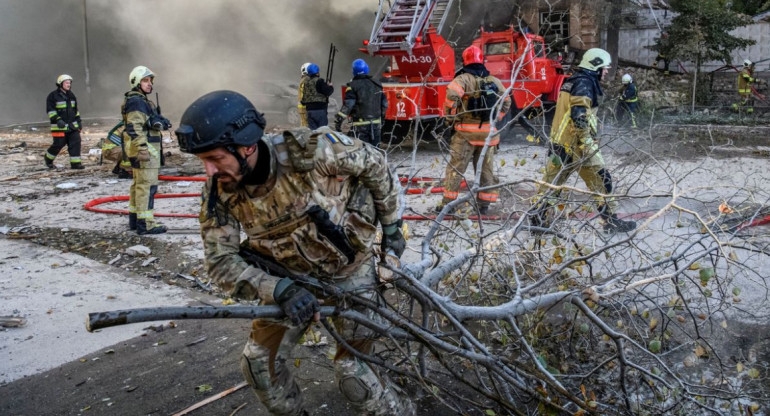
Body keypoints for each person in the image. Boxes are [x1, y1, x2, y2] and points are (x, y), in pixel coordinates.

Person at [175, 90, 413, 416]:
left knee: (353, 375)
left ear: (245, 147)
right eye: (203, 161)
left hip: (349, 271)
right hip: (287, 280)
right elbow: (219, 262)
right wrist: (279, 290)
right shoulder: (219, 193)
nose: (209, 171)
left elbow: (375, 165)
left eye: (215, 159)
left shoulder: (313, 151)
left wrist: (391, 226)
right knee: (258, 366)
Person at [531, 48, 636, 233]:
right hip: (578, 146)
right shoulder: (585, 84)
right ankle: (611, 222)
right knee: (603, 181)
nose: (605, 71)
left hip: (559, 145)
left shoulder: (572, 81)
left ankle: (537, 222)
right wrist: (587, 143)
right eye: (604, 68)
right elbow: (579, 116)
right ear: (595, 65)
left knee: (551, 185)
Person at [436, 45, 510, 215]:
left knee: (456, 169)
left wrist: (451, 117)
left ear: (465, 60)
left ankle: (449, 205)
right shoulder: (494, 81)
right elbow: (506, 101)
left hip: (465, 135)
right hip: (489, 136)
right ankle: (484, 205)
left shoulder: (463, 79)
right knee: (486, 172)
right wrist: (496, 118)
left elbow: (452, 96)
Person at [122, 65, 171, 235]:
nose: (149, 84)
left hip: (141, 149)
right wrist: (143, 148)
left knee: (138, 185)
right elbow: (134, 126)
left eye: (150, 81)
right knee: (147, 187)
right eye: (145, 80)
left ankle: (135, 220)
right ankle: (146, 224)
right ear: (136, 82)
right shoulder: (137, 101)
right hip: (146, 151)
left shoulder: (141, 101)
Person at [335, 59, 387, 147]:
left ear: (354, 72)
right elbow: (384, 104)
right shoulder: (377, 84)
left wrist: (339, 119)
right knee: (375, 151)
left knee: (361, 150)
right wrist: (382, 117)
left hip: (360, 125)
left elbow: (348, 105)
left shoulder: (352, 86)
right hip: (375, 124)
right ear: (367, 69)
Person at [45, 74, 84, 169]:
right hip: (59, 126)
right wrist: (58, 120)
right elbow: (50, 111)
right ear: (60, 83)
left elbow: (75, 110)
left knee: (76, 142)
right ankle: (48, 159)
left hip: (72, 126)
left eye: (70, 83)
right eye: (67, 83)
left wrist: (79, 121)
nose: (69, 84)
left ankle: (76, 164)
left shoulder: (71, 95)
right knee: (58, 144)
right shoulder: (53, 96)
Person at [299, 62, 334, 129]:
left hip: (309, 111)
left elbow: (303, 101)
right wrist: (330, 86)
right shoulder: (320, 81)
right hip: (320, 110)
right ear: (317, 73)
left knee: (313, 133)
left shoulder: (306, 83)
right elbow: (328, 92)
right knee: (322, 131)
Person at [297, 62, 311, 127]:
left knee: (304, 124)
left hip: (303, 108)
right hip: (305, 107)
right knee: (306, 125)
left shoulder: (303, 80)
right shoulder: (306, 80)